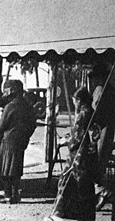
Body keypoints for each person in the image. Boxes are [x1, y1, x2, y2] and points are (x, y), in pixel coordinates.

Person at [48, 87, 100, 220]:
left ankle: (69, 212)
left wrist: (67, 141)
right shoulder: (91, 112)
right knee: (85, 186)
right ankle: (86, 214)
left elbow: (77, 138)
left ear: (78, 100)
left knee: (71, 184)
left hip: (79, 156)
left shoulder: (82, 114)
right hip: (89, 155)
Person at [0, 79, 36, 204]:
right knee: (16, 169)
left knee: (5, 170)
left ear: (12, 91)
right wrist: (26, 136)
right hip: (21, 141)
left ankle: (8, 195)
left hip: (8, 141)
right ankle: (15, 194)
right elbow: (33, 124)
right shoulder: (27, 106)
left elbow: (1, 126)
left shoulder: (9, 106)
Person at [88, 64, 115, 210]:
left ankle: (101, 191)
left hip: (102, 127)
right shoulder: (110, 89)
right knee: (101, 160)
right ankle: (100, 192)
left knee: (95, 162)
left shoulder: (100, 89)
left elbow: (96, 109)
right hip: (108, 128)